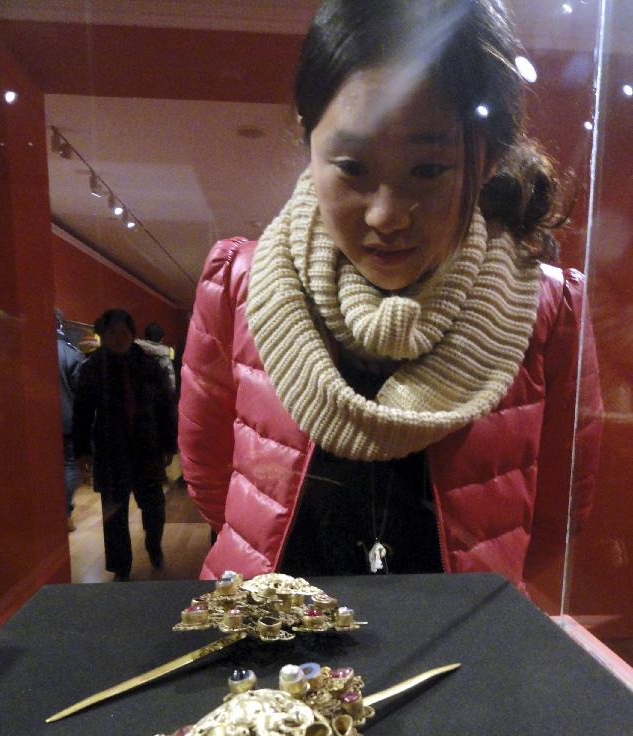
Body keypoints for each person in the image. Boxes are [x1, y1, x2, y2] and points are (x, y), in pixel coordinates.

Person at [178, 0, 602, 595]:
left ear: (486, 159)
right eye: (352, 166)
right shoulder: (237, 284)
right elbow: (209, 480)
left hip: (456, 646)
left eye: (429, 169)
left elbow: (561, 509)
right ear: (308, 140)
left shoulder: (547, 310)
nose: (386, 215)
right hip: (270, 641)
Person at [73, 308, 177, 581]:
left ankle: (154, 546)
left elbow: (165, 406)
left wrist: (169, 443)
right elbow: (82, 410)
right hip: (111, 450)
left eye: (124, 333)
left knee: (154, 505)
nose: (119, 338)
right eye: (112, 333)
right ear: (102, 336)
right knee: (114, 512)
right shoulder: (93, 367)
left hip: (147, 446)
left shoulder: (148, 364)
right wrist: (82, 449)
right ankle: (121, 567)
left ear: (132, 334)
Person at [56, 309, 85, 531]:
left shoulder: (24, 348)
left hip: (31, 424)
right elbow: (81, 393)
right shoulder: (70, 352)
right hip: (65, 420)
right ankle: (64, 513)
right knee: (68, 465)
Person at [136, 322, 177, 395]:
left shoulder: (135, 348)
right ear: (161, 338)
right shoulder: (166, 353)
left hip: (138, 391)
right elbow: (170, 378)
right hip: (158, 393)